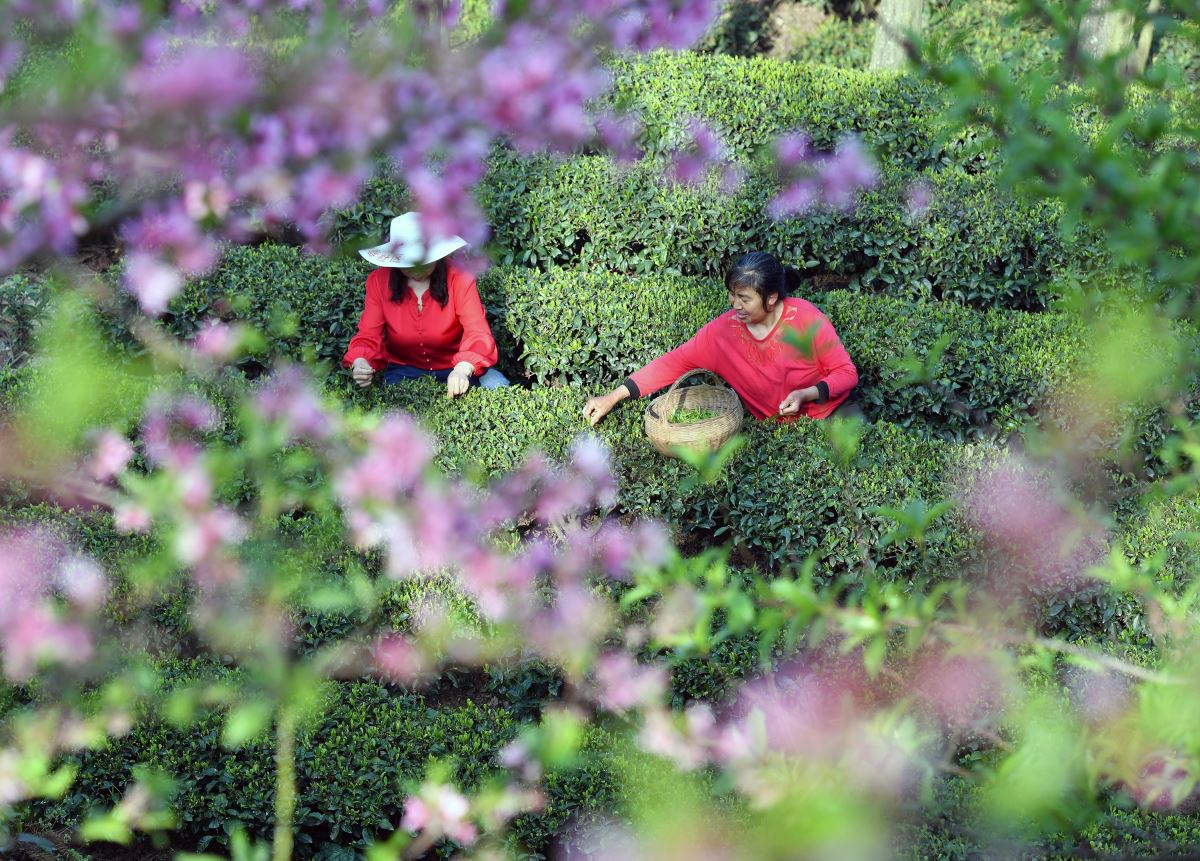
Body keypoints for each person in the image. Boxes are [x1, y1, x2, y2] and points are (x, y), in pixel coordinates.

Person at [583, 251, 860, 426]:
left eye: (744, 298)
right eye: (732, 295)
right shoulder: (721, 335)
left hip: (835, 414)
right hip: (781, 430)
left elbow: (847, 373)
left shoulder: (806, 318)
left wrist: (805, 394)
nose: (734, 304)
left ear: (772, 298)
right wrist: (614, 396)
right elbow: (674, 363)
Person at [343, 211, 508, 395]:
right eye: (410, 263)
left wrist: (463, 368)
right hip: (404, 369)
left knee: (498, 386)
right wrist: (361, 361)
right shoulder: (378, 281)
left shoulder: (461, 278)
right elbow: (369, 334)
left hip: (458, 366)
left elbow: (477, 331)